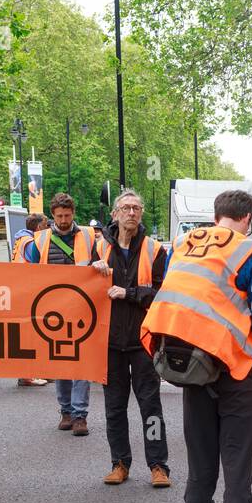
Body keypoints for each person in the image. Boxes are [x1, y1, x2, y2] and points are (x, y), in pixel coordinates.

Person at [140, 189, 252, 503]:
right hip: (233, 371)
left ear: (216, 216)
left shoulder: (185, 243)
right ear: (248, 218)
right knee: (237, 470)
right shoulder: (248, 251)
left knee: (201, 467)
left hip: (191, 368)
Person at [95, 190, 171, 488]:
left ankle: (158, 465)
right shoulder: (99, 247)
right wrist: (92, 271)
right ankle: (120, 463)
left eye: (136, 208)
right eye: (126, 208)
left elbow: (162, 294)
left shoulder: (155, 250)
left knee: (150, 406)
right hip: (109, 341)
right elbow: (81, 289)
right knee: (114, 408)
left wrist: (129, 293)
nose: (131, 213)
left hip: (142, 340)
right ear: (115, 213)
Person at [24, 193, 100, 436]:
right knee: (61, 363)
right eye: (59, 216)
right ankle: (66, 411)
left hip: (82, 308)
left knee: (81, 364)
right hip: (53, 309)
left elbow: (99, 264)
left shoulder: (89, 236)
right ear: (52, 215)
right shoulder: (40, 240)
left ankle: (79, 416)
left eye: (67, 215)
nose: (64, 220)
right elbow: (33, 274)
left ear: (73, 213)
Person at [11, 214, 49, 387]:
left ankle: (34, 372)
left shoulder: (21, 239)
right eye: (46, 225)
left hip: (21, 289)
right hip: (28, 291)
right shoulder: (30, 243)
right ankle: (27, 375)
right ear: (39, 227)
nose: (48, 227)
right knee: (29, 334)